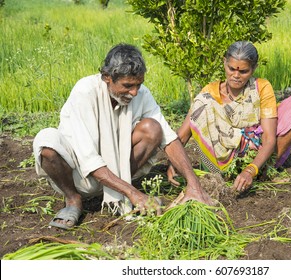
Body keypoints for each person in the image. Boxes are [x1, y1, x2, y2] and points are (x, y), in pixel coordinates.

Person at [33, 43, 213, 230]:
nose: (134, 92)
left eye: (138, 85)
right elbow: (87, 158)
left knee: (153, 128)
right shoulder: (85, 92)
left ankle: (117, 186)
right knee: (46, 141)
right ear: (107, 77)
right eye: (127, 86)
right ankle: (72, 200)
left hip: (120, 171)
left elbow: (169, 138)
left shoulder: (141, 94)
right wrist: (134, 193)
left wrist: (194, 186)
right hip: (80, 177)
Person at [167, 41, 291, 193]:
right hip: (221, 158)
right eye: (231, 69)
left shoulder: (261, 88)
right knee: (202, 102)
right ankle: (224, 175)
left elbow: (269, 139)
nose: (236, 76)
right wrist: (174, 162)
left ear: (254, 68)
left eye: (243, 71)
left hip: (254, 152)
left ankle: (264, 169)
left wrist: (251, 170)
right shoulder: (209, 93)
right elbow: (183, 135)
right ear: (224, 63)